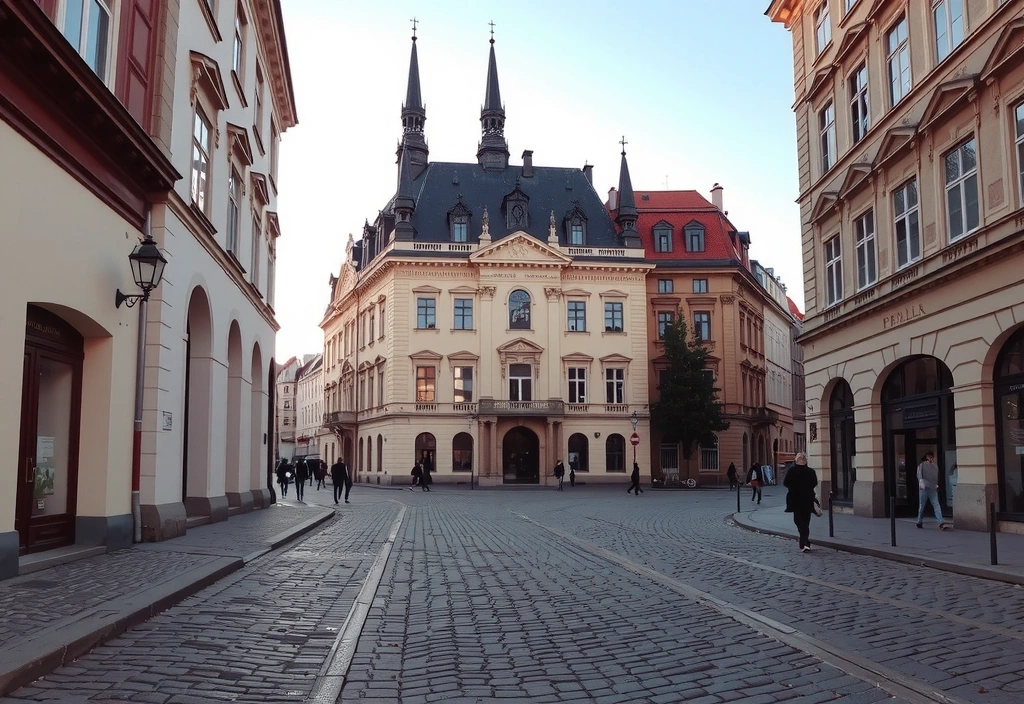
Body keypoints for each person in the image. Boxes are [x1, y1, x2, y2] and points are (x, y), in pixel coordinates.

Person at [784, 452, 818, 553]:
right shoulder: (811, 471)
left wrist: (793, 488)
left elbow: (786, 483)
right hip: (808, 499)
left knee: (798, 521)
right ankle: (805, 542)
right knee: (805, 521)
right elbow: (814, 483)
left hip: (796, 499)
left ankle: (804, 543)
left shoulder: (792, 470)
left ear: (796, 461)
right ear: (805, 461)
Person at [917, 451, 948, 530]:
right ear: (926, 457)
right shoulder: (922, 465)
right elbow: (920, 477)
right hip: (926, 488)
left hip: (929, 488)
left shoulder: (933, 465)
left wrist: (935, 486)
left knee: (935, 505)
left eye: (931, 457)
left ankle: (940, 522)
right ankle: (919, 521)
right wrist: (935, 486)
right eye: (929, 457)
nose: (931, 458)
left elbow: (934, 477)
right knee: (923, 505)